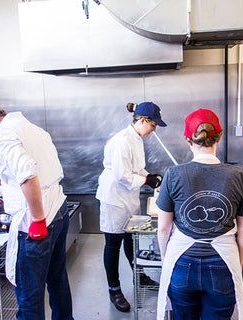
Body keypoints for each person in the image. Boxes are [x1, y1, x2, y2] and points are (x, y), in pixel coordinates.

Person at [0, 104, 73, 320]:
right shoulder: (32, 128)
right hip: (59, 210)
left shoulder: (2, 136)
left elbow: (27, 174)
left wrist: (37, 219)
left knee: (29, 293)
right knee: (57, 279)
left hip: (36, 219)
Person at [156, 108, 243, 320]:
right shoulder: (239, 175)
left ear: (188, 140)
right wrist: (236, 262)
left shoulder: (173, 174)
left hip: (182, 262)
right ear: (219, 137)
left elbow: (163, 228)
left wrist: (166, 259)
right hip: (223, 263)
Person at [95, 101, 167, 312]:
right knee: (113, 243)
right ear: (143, 121)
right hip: (114, 198)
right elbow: (123, 176)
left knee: (131, 238)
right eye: (153, 126)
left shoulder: (137, 139)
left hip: (128, 197)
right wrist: (147, 181)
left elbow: (138, 169)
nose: (154, 131)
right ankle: (114, 289)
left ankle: (140, 276)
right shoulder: (121, 141)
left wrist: (151, 176)